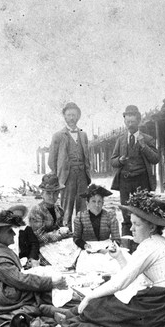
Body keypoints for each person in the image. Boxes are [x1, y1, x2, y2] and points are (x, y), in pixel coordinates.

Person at [60, 189, 165, 327]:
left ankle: (68, 314)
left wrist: (90, 297)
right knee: (106, 302)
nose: (131, 229)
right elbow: (134, 277)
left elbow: (121, 282)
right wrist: (119, 257)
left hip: (163, 309)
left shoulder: (148, 245)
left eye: (136, 224)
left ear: (151, 227)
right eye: (131, 224)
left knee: (98, 305)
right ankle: (69, 313)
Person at [0, 208, 69, 320]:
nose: (13, 233)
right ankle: (48, 309)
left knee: (39, 287)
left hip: (4, 289)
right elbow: (20, 280)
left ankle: (48, 308)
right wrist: (51, 282)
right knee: (36, 291)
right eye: (9, 231)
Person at [111, 105, 160, 239]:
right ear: (124, 122)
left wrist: (143, 145)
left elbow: (155, 159)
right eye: (127, 122)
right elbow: (112, 161)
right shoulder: (120, 140)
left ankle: (145, 242)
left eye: (133, 122)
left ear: (138, 121)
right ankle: (127, 244)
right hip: (125, 182)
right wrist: (120, 160)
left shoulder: (148, 139)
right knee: (126, 214)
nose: (130, 125)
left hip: (141, 181)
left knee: (144, 214)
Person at [48, 102, 91, 230]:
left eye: (74, 115)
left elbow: (86, 156)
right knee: (66, 207)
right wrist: (59, 177)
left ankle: (81, 234)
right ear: (65, 117)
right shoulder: (58, 135)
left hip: (82, 175)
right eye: (69, 115)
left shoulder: (83, 135)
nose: (72, 118)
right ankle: (66, 233)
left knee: (82, 207)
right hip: (67, 177)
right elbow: (51, 160)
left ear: (78, 116)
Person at [71, 184, 121, 273]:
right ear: (87, 203)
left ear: (103, 203)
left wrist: (109, 248)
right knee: (86, 269)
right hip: (88, 250)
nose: (97, 205)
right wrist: (85, 245)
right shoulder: (80, 217)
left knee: (113, 268)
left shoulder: (110, 216)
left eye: (99, 202)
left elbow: (116, 239)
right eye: (93, 201)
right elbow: (76, 237)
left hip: (106, 249)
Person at [27, 174, 71, 266]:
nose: (52, 196)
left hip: (55, 245)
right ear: (42, 194)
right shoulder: (36, 211)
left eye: (55, 193)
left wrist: (67, 232)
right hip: (40, 248)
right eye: (48, 193)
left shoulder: (59, 210)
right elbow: (39, 237)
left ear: (59, 193)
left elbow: (60, 226)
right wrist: (59, 233)